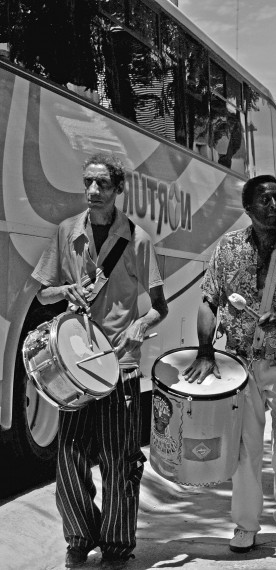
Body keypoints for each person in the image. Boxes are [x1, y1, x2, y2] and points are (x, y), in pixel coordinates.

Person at [31, 153, 168, 569]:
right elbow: (42, 295)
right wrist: (66, 290)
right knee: (70, 460)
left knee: (119, 461)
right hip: (73, 368)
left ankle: (116, 547)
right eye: (88, 183)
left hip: (119, 367)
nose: (92, 191)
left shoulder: (137, 239)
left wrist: (139, 328)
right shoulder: (66, 232)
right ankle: (79, 537)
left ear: (117, 189)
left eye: (102, 184)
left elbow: (158, 307)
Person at [182, 175, 276, 553]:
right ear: (248, 208)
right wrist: (206, 351)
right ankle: (245, 525)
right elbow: (209, 300)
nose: (275, 204)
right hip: (240, 364)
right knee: (245, 447)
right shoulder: (227, 249)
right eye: (266, 199)